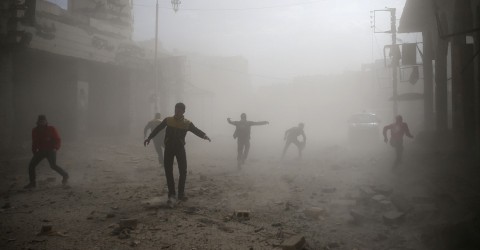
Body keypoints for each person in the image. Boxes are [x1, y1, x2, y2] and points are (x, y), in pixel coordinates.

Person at [144, 103, 211, 207]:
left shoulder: (187, 123)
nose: (177, 112)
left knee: (183, 171)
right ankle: (171, 195)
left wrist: (204, 135)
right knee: (168, 171)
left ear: (183, 112)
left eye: (179, 110)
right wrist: (149, 138)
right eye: (176, 110)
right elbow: (158, 129)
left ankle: (181, 194)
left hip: (180, 149)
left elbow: (195, 130)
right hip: (169, 148)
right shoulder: (168, 120)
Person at [24, 115, 69, 189]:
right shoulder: (34, 130)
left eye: (43, 121)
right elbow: (34, 142)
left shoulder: (51, 129)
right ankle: (32, 183)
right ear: (38, 122)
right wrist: (34, 152)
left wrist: (56, 148)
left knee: (53, 166)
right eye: (40, 121)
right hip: (41, 151)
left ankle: (65, 175)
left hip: (51, 150)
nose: (42, 123)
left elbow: (58, 139)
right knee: (31, 165)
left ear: (46, 122)